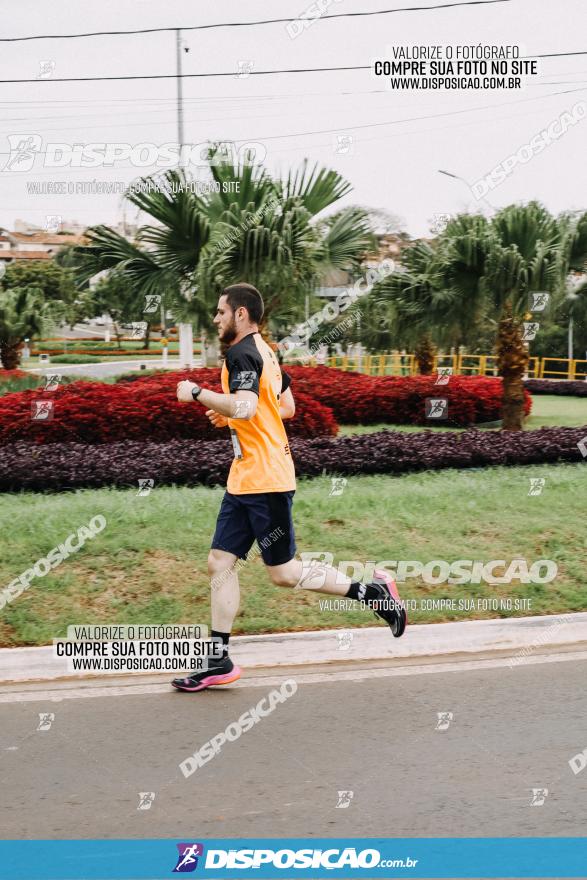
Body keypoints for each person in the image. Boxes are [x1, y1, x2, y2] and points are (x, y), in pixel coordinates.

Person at [172, 282, 406, 693]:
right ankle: (218, 660)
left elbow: (245, 405)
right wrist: (229, 417)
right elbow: (283, 407)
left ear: (241, 314)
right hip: (246, 478)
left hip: (266, 481)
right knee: (219, 561)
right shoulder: (267, 352)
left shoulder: (242, 353)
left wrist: (198, 394)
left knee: (282, 573)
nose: (216, 319)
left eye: (221, 312)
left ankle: (374, 593)